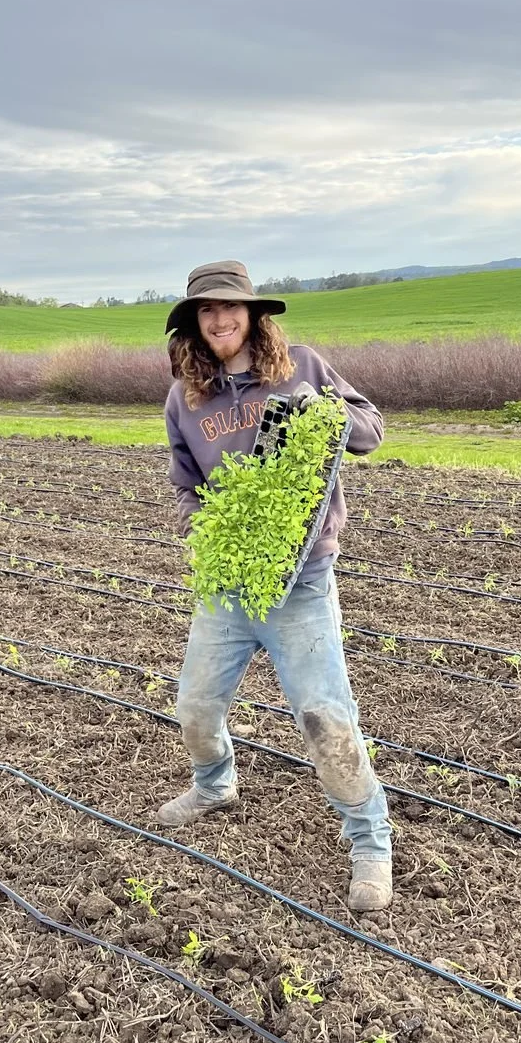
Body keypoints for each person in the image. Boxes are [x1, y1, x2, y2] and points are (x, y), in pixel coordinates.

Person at [159, 259, 392, 912]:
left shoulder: (303, 368)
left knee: (325, 719)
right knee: (196, 709)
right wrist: (201, 527)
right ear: (194, 324)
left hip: (302, 582)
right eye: (207, 311)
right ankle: (214, 784)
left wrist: (328, 411)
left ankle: (370, 841)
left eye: (230, 307)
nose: (220, 320)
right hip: (229, 584)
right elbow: (186, 484)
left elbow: (371, 431)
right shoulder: (185, 398)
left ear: (253, 314)